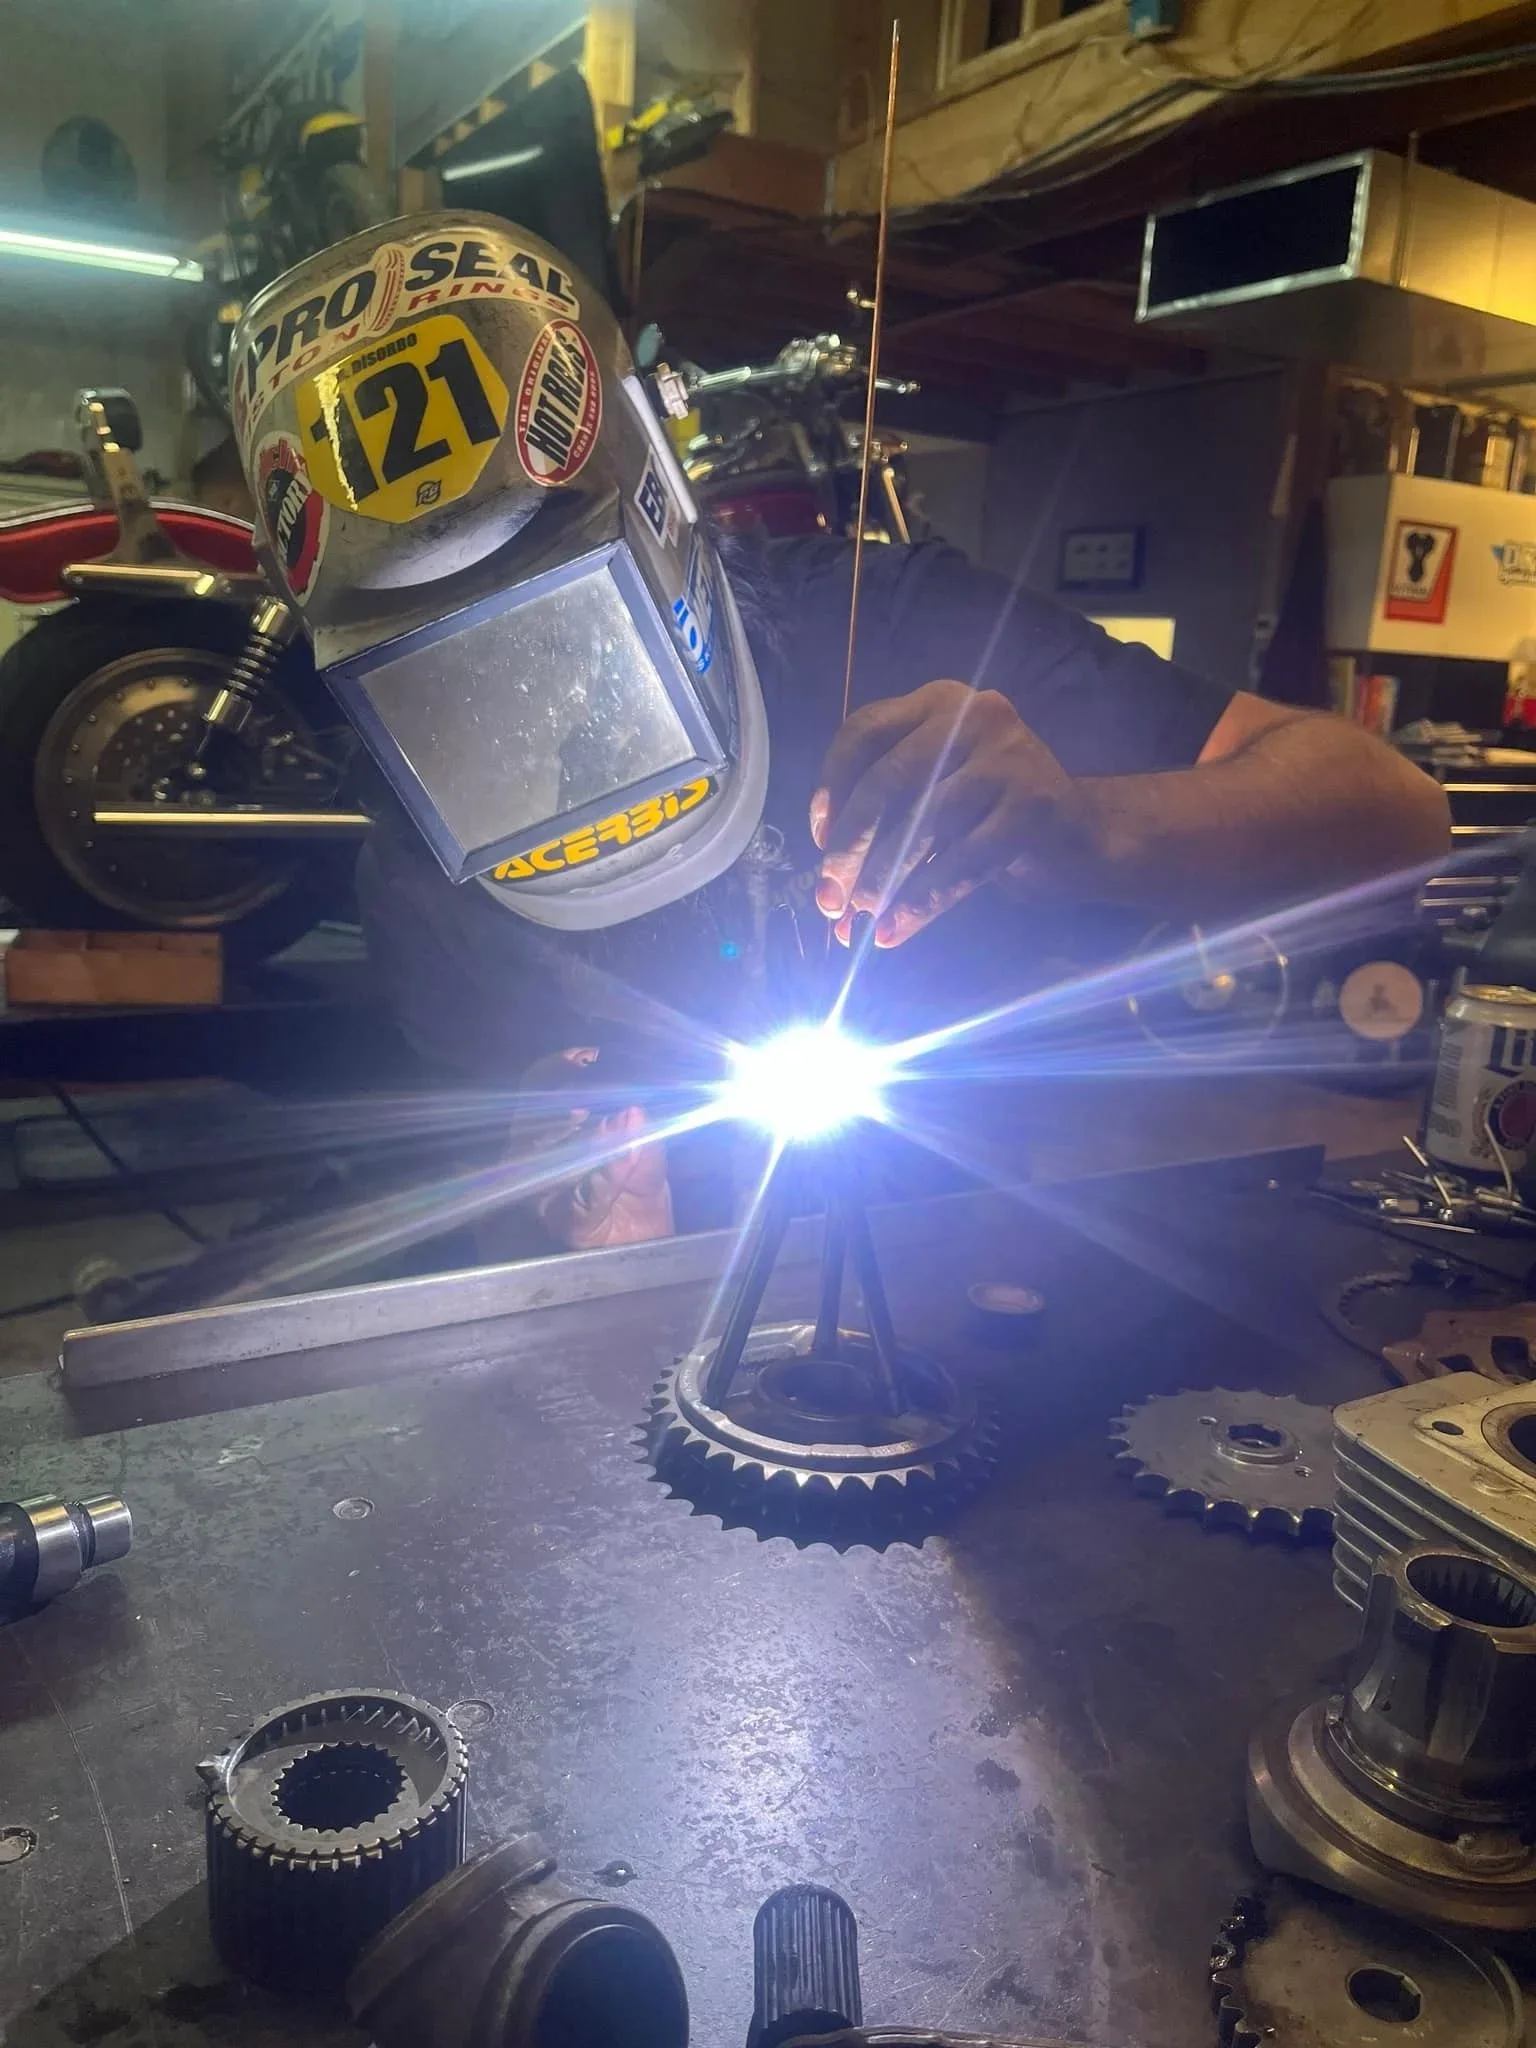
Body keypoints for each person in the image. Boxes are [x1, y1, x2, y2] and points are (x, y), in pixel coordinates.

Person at [230, 214, 1450, 1251]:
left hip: (986, 1281)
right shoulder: (420, 858)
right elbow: (509, 1149)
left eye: (560, 627)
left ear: (657, 514)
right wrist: (576, 1189)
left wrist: (1089, 827)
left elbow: (1393, 813)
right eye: (443, 679)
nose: (524, 703)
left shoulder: (894, 623)